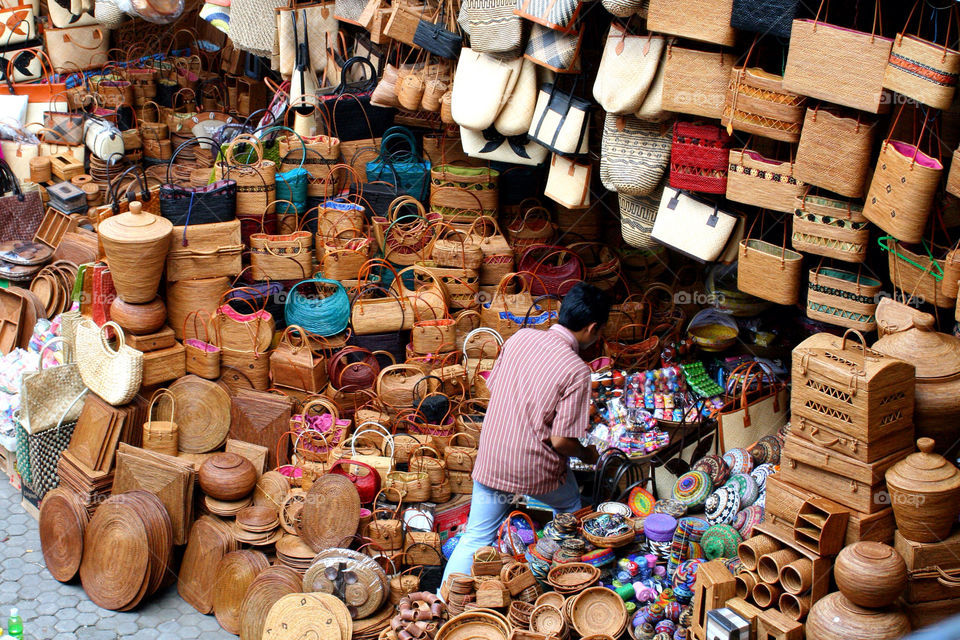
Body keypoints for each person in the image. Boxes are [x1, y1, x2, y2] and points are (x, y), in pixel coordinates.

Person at [440, 281, 611, 583]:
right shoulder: (577, 370)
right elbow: (561, 441)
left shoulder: (520, 338)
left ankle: (443, 601)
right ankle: (561, 577)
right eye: (600, 331)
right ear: (592, 328)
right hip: (533, 469)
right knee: (571, 507)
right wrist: (588, 452)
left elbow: (495, 388)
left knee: (476, 537)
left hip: (492, 459)